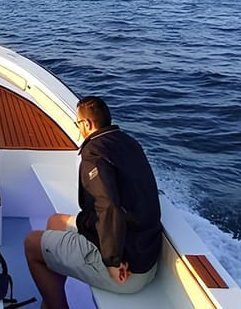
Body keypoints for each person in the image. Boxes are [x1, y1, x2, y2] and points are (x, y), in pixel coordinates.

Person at [24, 96, 162, 309]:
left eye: (78, 123)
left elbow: (109, 207)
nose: (78, 128)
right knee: (55, 222)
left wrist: (113, 261)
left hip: (128, 268)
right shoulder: (127, 142)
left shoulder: (94, 154)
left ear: (87, 124)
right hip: (145, 252)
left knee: (32, 244)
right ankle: (51, 296)